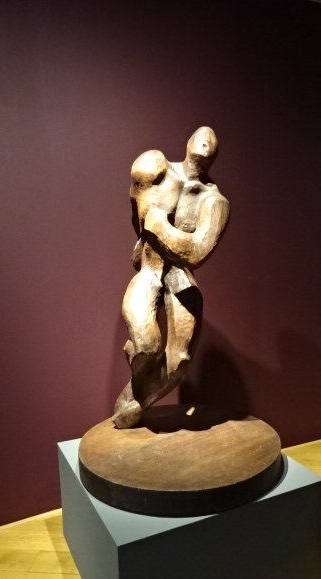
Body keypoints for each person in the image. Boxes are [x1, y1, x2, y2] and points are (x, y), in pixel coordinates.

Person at [112, 126, 230, 428]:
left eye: (212, 141)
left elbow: (196, 252)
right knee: (145, 346)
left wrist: (157, 226)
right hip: (150, 270)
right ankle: (137, 379)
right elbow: (135, 202)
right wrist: (143, 240)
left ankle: (137, 401)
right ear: (188, 142)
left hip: (180, 280)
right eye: (201, 136)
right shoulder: (155, 168)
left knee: (179, 362)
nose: (207, 139)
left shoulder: (215, 202)